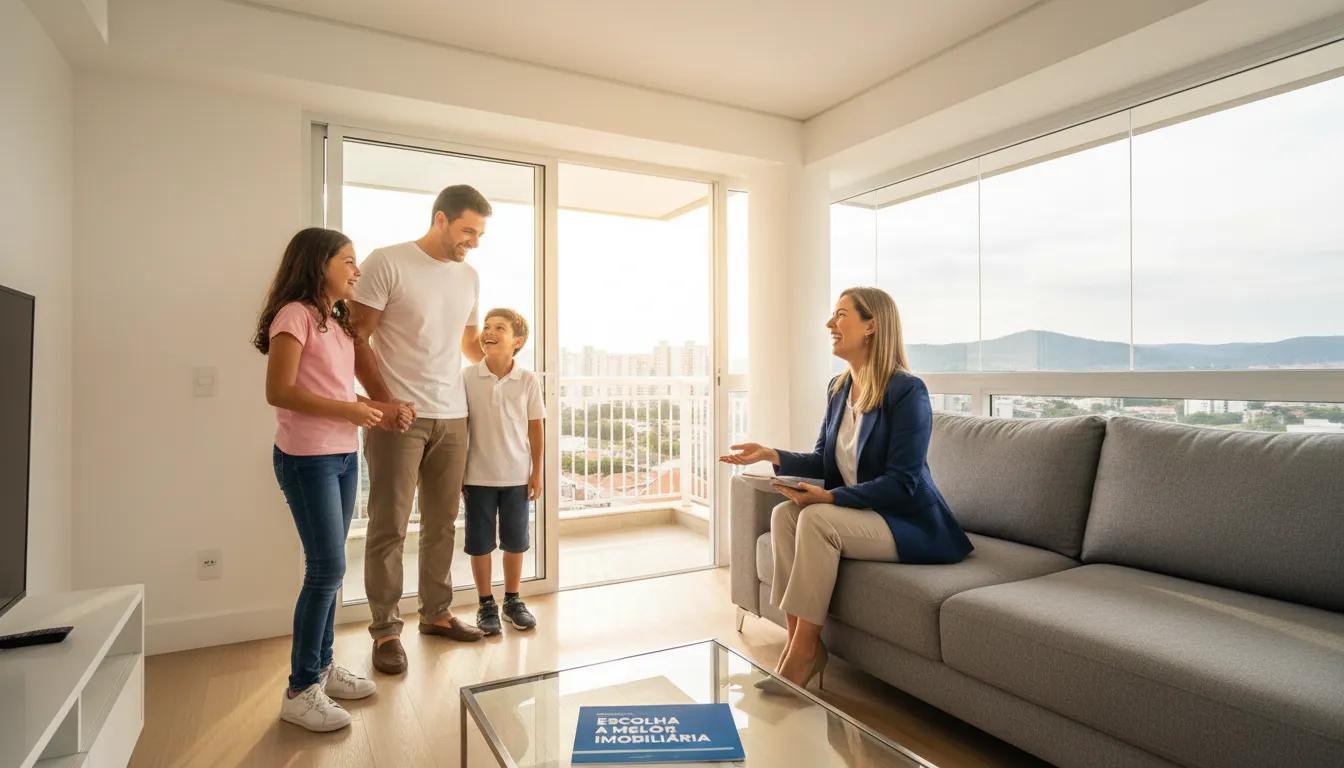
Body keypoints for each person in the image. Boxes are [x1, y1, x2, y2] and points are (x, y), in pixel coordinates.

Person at [720, 287, 972, 689]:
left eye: (841, 315)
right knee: (784, 515)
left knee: (817, 518)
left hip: (907, 521)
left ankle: (803, 654)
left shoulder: (907, 391)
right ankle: (799, 645)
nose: (830, 324)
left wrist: (832, 497)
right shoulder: (838, 388)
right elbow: (824, 460)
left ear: (871, 325)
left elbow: (902, 482)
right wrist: (772, 453)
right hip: (864, 514)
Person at [253, 227, 412, 732]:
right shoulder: (294, 315)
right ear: (319, 263)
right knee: (325, 569)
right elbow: (279, 391)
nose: (356, 270)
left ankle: (321, 668)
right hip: (306, 459)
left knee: (331, 568)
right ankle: (300, 690)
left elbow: (337, 389)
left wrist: (378, 410)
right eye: (348, 260)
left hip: (343, 455)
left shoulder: (337, 322)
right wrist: (351, 407)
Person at [349, 185, 494, 675]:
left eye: (479, 233)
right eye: (467, 231)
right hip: (400, 416)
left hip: (453, 414)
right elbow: (356, 335)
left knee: (441, 523)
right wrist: (385, 403)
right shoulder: (386, 262)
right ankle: (386, 629)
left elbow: (469, 345)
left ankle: (435, 614)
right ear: (440, 219)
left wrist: (501, 351)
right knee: (388, 526)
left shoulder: (470, 276)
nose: (473, 241)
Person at [462, 308, 543, 634]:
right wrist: (457, 473)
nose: (488, 331)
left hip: (516, 477)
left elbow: (536, 429)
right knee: (480, 544)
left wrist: (536, 472)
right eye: (486, 326)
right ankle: (485, 604)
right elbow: (461, 428)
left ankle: (512, 600)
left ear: (517, 342)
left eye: (499, 328)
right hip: (477, 477)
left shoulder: (527, 380)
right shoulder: (467, 377)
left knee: (515, 542)